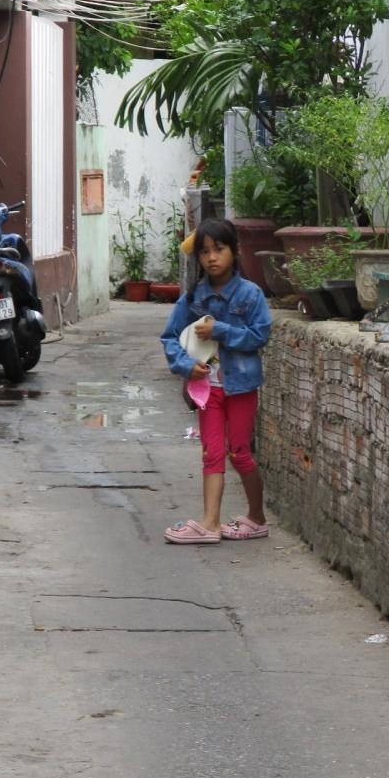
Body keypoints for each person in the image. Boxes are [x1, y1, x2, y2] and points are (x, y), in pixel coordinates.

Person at [160, 218, 272, 545]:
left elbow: (260, 335)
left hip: (241, 388)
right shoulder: (193, 297)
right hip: (207, 389)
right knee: (211, 452)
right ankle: (210, 523)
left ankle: (256, 518)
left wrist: (219, 330)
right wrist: (185, 366)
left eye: (219, 249)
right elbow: (169, 337)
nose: (211, 257)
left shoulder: (250, 294)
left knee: (239, 452)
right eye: (204, 251)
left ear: (234, 251)